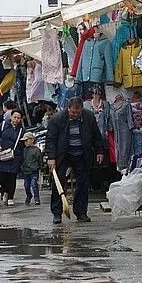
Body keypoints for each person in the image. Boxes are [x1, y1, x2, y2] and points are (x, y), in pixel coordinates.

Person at [46, 96, 104, 225]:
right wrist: (51, 157)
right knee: (58, 183)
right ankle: (57, 213)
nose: (75, 115)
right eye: (73, 113)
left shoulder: (88, 117)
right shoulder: (57, 119)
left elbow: (96, 135)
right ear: (68, 109)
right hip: (63, 154)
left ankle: (81, 213)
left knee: (83, 184)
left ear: (82, 109)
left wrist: (99, 151)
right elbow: (50, 139)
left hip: (82, 154)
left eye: (78, 113)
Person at [0, 110, 26, 206]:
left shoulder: (21, 130)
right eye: (15, 117)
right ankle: (4, 190)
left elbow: (22, 144)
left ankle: (10, 196)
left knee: (12, 177)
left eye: (18, 118)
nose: (16, 120)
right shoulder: (3, 125)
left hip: (14, 156)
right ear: (11, 117)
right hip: (2, 154)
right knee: (1, 176)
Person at [20, 134, 43, 205]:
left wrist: (40, 167)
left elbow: (39, 160)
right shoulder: (24, 150)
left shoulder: (37, 150)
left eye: (26, 141)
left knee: (34, 184)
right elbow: (23, 159)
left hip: (34, 170)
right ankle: (29, 195)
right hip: (26, 170)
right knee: (26, 185)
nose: (25, 143)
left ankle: (37, 198)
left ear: (32, 140)